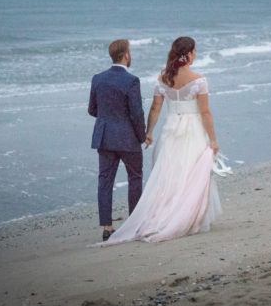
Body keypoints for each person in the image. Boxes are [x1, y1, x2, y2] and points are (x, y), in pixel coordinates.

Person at [100, 36, 222, 244]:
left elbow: (155, 109)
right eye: (194, 51)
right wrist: (213, 139)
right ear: (189, 54)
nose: (195, 54)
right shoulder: (199, 80)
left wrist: (149, 133)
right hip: (192, 130)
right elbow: (205, 113)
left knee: (170, 174)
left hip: (170, 129)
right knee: (191, 173)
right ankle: (187, 217)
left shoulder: (163, 78)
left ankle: (166, 214)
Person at [88, 39, 149, 242]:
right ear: (126, 55)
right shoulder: (132, 81)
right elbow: (137, 114)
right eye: (130, 51)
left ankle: (107, 228)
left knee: (105, 181)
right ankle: (134, 224)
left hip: (104, 137)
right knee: (135, 178)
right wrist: (143, 136)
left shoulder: (97, 79)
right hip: (128, 139)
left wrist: (109, 119)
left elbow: (92, 110)